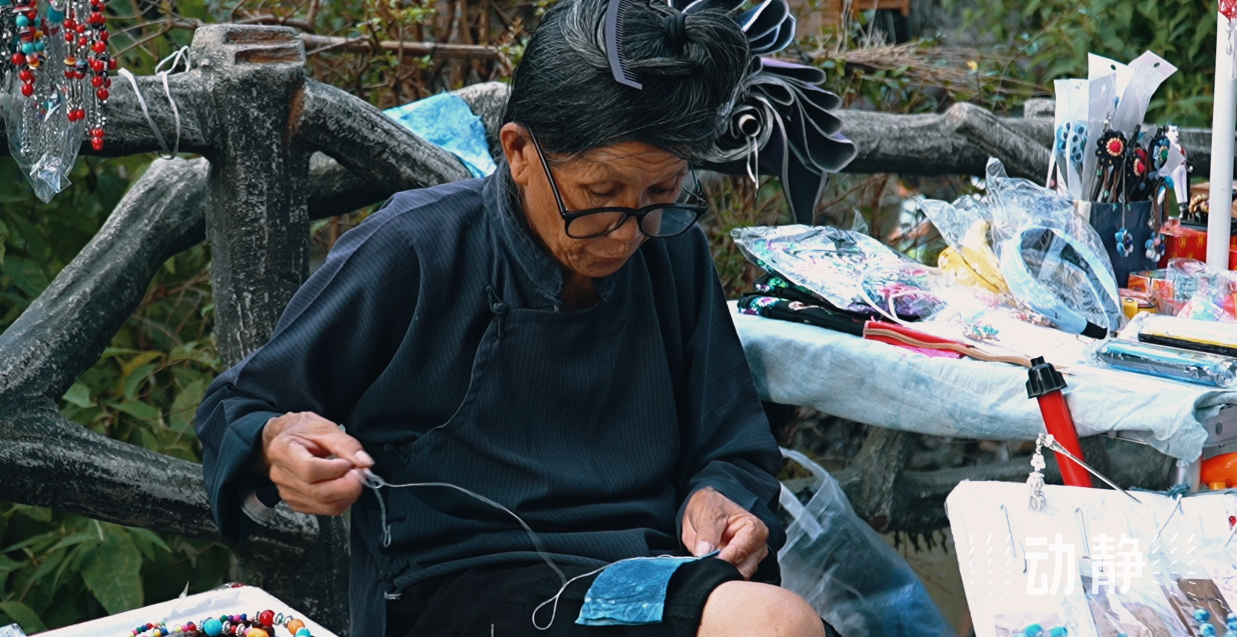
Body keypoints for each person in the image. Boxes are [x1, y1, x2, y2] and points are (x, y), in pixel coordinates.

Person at [196, 0, 829, 634]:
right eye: (600, 196)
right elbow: (239, 405)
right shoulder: (416, 248)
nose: (626, 233)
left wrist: (723, 497)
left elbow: (732, 443)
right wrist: (274, 445)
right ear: (519, 149)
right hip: (457, 588)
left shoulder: (671, 249)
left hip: (654, 571)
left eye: (660, 194)